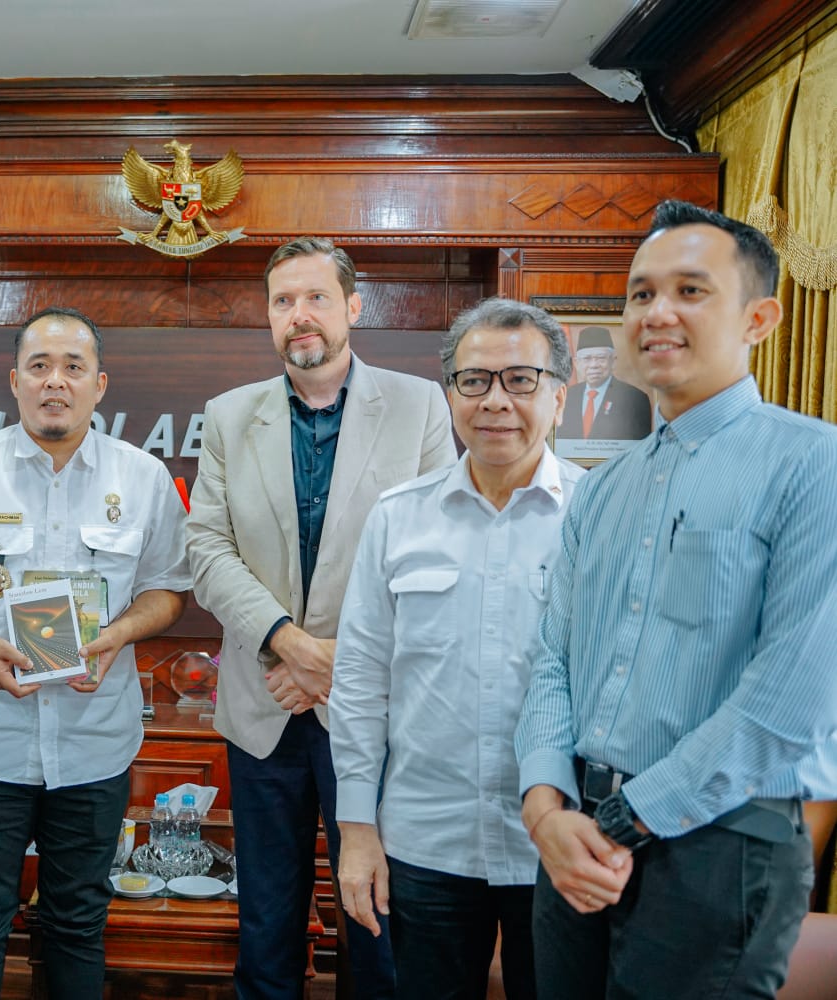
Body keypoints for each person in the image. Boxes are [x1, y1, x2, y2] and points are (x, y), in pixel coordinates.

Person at [515, 200, 837, 999]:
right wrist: (545, 810)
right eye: (639, 294)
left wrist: (623, 823)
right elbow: (552, 659)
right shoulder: (601, 489)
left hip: (720, 844)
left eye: (691, 291)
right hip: (575, 838)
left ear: (759, 318)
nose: (657, 313)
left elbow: (787, 703)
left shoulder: (815, 466)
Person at [0, 306, 191, 1000]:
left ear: (100, 384)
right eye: (41, 367)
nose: (57, 382)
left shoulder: (141, 478)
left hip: (92, 745)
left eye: (73, 368)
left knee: (79, 923)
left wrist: (119, 633)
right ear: (15, 380)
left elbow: (168, 591)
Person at [186, 236, 455, 1000]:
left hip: (371, 710)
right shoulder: (230, 416)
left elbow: (433, 555)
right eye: (282, 301)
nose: (299, 316)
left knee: (373, 916)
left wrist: (337, 667)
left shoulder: (419, 405)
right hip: (263, 705)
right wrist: (292, 646)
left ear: (352, 308)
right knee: (267, 920)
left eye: (315, 298)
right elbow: (207, 546)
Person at [331, 297, 581, 1000]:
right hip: (425, 842)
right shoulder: (397, 519)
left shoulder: (601, 517)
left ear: (559, 398)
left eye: (521, 380)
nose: (496, 401)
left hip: (560, 846)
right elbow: (359, 681)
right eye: (475, 381)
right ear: (450, 396)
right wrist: (356, 831)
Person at [556, 326, 652, 440]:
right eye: (587, 359)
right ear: (576, 363)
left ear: (613, 361)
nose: (594, 365)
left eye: (601, 358)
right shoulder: (566, 398)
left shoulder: (634, 399)